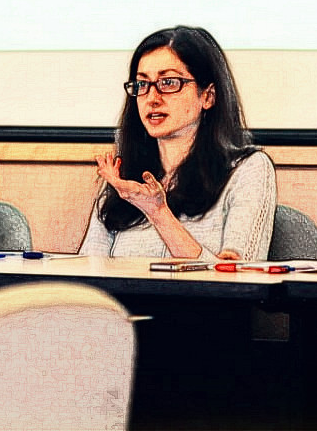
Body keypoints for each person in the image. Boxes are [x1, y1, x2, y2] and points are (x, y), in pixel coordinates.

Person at [80, 26, 275, 260]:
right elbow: (89, 270)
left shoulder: (247, 170)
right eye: (142, 84)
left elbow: (238, 276)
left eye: (169, 82)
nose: (152, 98)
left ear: (208, 96)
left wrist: (158, 213)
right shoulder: (124, 176)